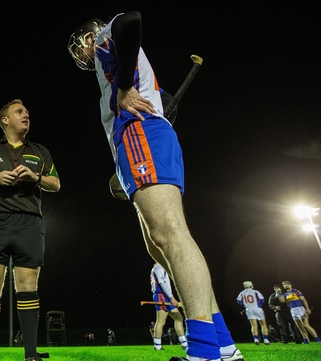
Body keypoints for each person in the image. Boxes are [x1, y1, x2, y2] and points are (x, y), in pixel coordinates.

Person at [67, 11, 244, 361]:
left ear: (87, 39)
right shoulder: (112, 62)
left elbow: (129, 20)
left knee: (171, 235)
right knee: (159, 246)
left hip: (140, 133)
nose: (81, 54)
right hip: (141, 137)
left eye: (79, 47)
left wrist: (123, 89)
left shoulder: (103, 37)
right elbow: (152, 92)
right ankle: (222, 343)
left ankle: (206, 350)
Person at [0, 99, 61, 361]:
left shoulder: (40, 151)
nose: (26, 115)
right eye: (20, 112)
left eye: (28, 112)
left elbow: (56, 183)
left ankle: (31, 354)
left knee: (28, 284)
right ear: (5, 120)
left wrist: (36, 177)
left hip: (30, 220)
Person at [150, 263, 188, 350]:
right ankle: (157, 346)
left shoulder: (159, 268)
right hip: (162, 296)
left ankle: (184, 343)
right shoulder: (159, 268)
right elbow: (162, 283)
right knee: (161, 321)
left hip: (164, 295)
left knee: (179, 318)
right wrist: (172, 298)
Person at [236, 281, 270, 345]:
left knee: (253, 325)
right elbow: (262, 300)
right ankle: (266, 340)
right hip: (257, 308)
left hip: (249, 309)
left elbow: (238, 301)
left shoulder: (242, 293)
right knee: (263, 324)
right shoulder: (255, 292)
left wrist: (246, 305)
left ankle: (256, 339)